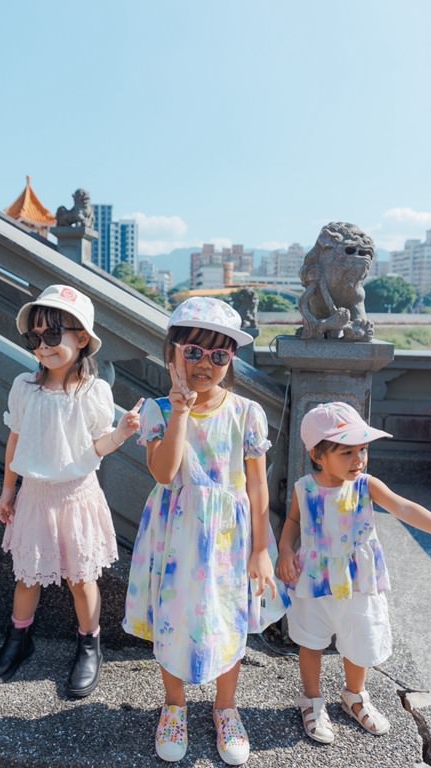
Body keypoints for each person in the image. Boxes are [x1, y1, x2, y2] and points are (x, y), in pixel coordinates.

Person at [123, 297, 286, 766]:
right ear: (171, 352)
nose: (205, 364)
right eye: (193, 351)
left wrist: (260, 548)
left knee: (228, 614)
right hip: (174, 534)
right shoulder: (156, 411)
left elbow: (257, 485)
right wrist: (179, 411)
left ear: (231, 360)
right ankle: (174, 706)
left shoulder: (246, 413)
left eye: (219, 355)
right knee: (172, 617)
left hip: (230, 538)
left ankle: (226, 708)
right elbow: (163, 472)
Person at [276, 402, 431, 744]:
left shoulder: (366, 485)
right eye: (347, 452)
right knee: (310, 642)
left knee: (361, 641)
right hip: (314, 578)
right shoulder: (306, 488)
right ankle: (312, 701)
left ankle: (354, 696)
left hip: (360, 580)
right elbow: (295, 521)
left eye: (363, 450)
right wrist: (285, 549)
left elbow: (405, 508)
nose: (358, 460)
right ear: (318, 454)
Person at [0, 284, 142, 698]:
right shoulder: (24, 387)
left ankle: (90, 645)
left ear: (81, 338)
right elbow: (15, 441)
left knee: (81, 578)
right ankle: (18, 640)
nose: (42, 346)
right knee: (27, 577)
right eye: (35, 337)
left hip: (76, 496)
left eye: (52, 335)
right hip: (34, 495)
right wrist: (7, 490)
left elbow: (96, 447)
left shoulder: (93, 393)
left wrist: (122, 433)